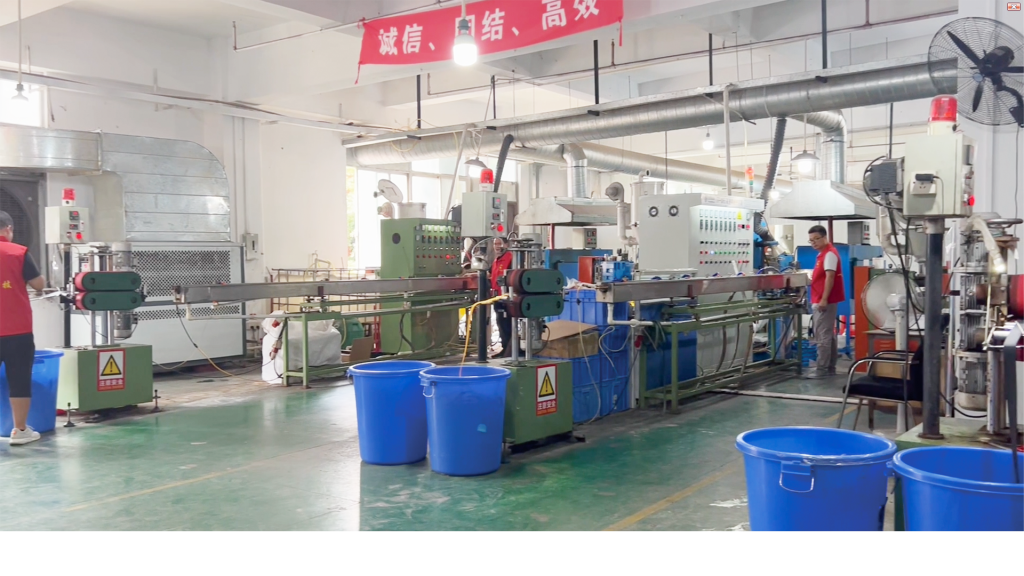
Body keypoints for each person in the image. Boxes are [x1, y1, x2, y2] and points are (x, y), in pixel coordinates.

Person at [0, 211, 46, 445]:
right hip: (16, 331)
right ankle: (19, 430)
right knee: (19, 379)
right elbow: (38, 284)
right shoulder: (18, 252)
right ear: (8, 229)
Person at [806, 225, 845, 379]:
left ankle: (821, 369)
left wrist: (824, 299)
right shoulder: (823, 254)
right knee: (828, 334)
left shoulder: (829, 254)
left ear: (824, 237)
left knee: (822, 336)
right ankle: (829, 366)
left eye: (816, 239)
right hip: (821, 298)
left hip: (824, 301)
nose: (813, 243)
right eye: (811, 240)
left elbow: (830, 277)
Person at [490, 237, 514, 358]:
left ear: (506, 244)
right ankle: (505, 348)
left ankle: (510, 350)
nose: (497, 246)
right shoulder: (496, 260)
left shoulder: (510, 258)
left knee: (507, 324)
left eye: (500, 243)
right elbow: (493, 276)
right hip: (497, 297)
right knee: (500, 323)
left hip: (507, 298)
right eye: (495, 244)